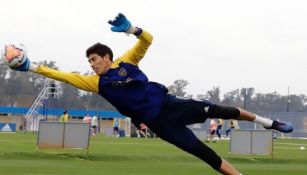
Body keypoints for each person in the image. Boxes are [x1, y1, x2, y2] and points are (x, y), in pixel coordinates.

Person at [3, 13, 294, 175]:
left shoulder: (128, 62)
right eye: (89, 61)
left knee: (224, 111)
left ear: (107, 57)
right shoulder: (95, 83)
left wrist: (132, 28)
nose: (91, 65)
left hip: (172, 105)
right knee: (203, 153)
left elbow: (149, 39)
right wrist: (31, 66)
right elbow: (61, 75)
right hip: (160, 124)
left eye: (95, 60)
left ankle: (269, 122)